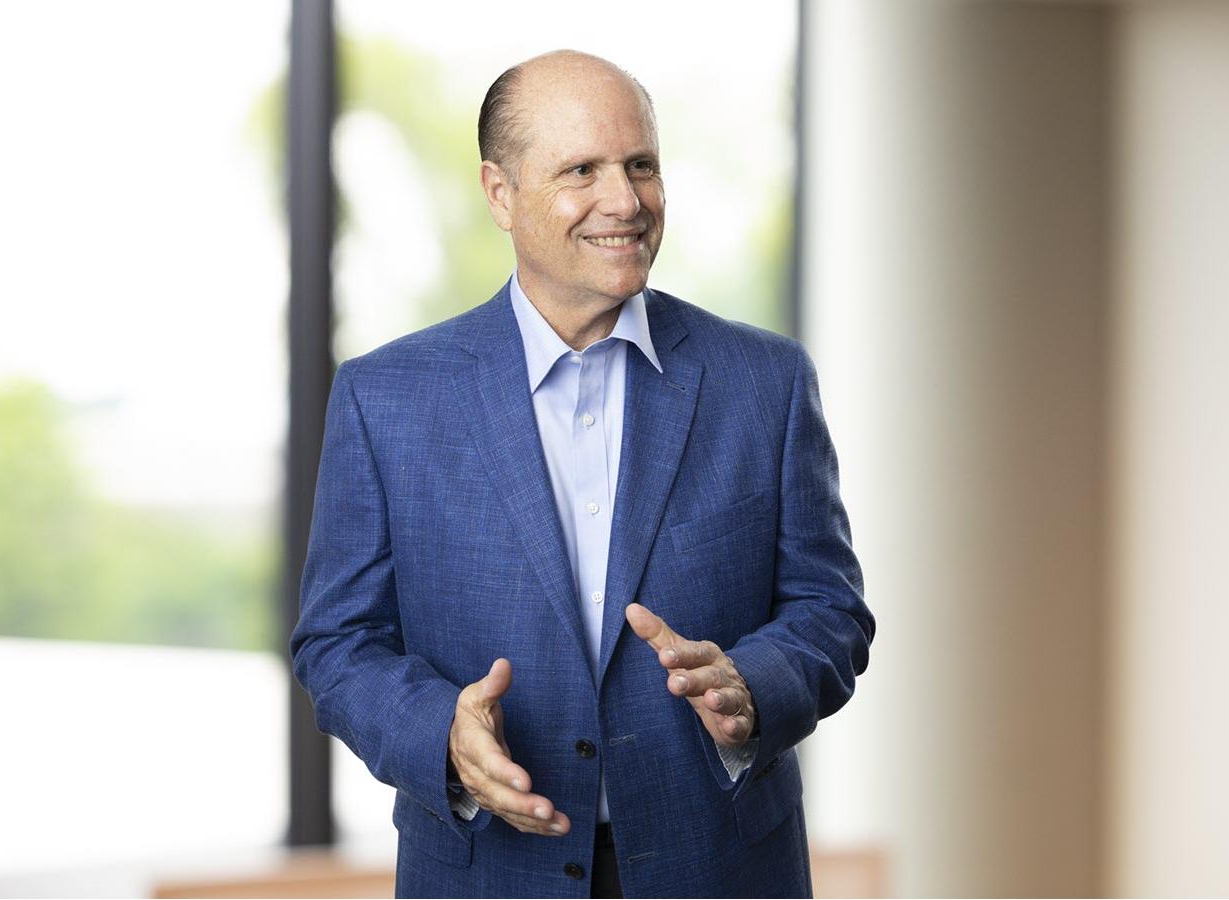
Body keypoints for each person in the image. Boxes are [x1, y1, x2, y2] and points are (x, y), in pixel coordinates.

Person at [290, 49, 873, 898]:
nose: (626, 200)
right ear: (500, 193)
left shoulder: (766, 383)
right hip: (488, 874)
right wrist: (441, 736)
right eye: (582, 170)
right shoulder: (386, 399)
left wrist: (754, 686)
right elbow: (336, 643)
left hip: (721, 871)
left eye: (642, 165)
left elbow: (831, 612)